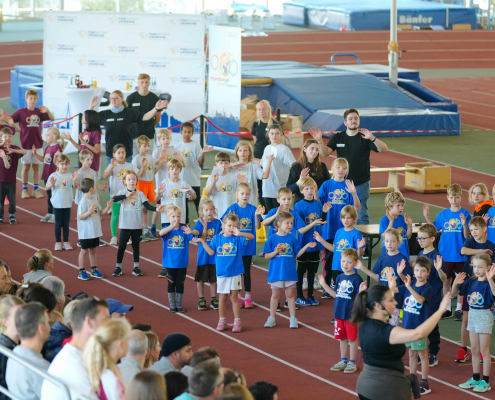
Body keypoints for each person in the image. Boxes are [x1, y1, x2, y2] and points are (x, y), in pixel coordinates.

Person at [352, 284, 450, 400]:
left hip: (365, 387)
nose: (396, 303)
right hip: (384, 390)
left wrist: (363, 293)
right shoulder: (387, 332)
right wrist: (440, 311)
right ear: (378, 305)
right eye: (391, 300)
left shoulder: (364, 322)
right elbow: (418, 334)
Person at [310, 108, 388, 233]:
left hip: (360, 183)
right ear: (345, 122)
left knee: (362, 214)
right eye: (350, 119)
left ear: (359, 121)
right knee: (341, 214)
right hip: (341, 184)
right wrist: (319, 141)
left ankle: (363, 243)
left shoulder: (365, 137)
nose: (353, 121)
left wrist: (372, 138)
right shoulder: (338, 137)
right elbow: (325, 153)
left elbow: (383, 149)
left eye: (356, 118)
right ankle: (340, 239)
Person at [195, 214, 254, 333]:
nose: (232, 228)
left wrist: (240, 233)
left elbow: (251, 236)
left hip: (235, 273)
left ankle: (237, 321)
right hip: (222, 274)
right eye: (229, 225)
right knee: (222, 298)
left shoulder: (237, 238)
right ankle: (222, 321)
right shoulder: (217, 238)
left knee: (234, 298)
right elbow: (211, 252)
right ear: (223, 225)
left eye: (234, 226)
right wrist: (202, 241)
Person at [41, 297, 110, 400]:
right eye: (105, 320)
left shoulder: (74, 355)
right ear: (89, 322)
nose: (109, 326)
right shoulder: (76, 367)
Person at [423, 183, 471, 321]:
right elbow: (434, 229)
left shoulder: (465, 214)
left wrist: (464, 224)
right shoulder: (443, 214)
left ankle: (459, 308)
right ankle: (448, 308)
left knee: (461, 282)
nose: (454, 200)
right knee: (446, 281)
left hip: (461, 256)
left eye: (457, 197)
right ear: (447, 198)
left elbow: (467, 235)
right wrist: (426, 216)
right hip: (446, 254)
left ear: (461, 197)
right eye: (452, 197)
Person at [388, 257, 434, 395]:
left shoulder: (427, 288)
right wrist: (392, 279)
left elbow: (420, 300)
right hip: (408, 326)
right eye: (417, 270)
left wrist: (408, 287)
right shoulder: (411, 283)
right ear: (413, 271)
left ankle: (424, 382)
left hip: (419, 328)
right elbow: (394, 290)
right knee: (412, 354)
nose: (419, 273)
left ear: (428, 272)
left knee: (423, 354)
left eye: (423, 271)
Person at [264, 212, 316, 329]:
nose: (290, 225)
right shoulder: (272, 239)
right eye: (287, 223)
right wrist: (275, 252)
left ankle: (293, 318)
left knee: (290, 294)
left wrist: (307, 246)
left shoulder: (292, 239)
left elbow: (297, 254)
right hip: (276, 272)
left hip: (289, 271)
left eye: (291, 223)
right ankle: (272, 318)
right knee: (275, 295)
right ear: (278, 223)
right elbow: (267, 256)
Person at [317, 249, 365, 374]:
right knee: (342, 338)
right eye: (343, 261)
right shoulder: (339, 277)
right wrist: (324, 285)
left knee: (352, 339)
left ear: (355, 263)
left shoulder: (357, 279)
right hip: (339, 314)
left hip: (351, 315)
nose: (345, 264)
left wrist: (361, 292)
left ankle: (352, 362)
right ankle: (343, 360)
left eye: (349, 262)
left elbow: (360, 298)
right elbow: (336, 295)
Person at [317, 157, 361, 296]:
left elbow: (357, 207)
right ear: (333, 169)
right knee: (328, 259)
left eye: (344, 168)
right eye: (338, 167)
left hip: (345, 230)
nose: (341, 170)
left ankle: (344, 285)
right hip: (329, 229)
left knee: (346, 259)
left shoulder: (348, 185)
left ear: (347, 171)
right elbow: (318, 202)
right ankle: (327, 286)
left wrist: (353, 193)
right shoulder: (326, 184)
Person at [453, 254, 495, 393]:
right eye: (474, 266)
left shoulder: (489, 284)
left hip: (484, 316)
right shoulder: (471, 282)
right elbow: (454, 293)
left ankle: (486, 381)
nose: (476, 269)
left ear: (488, 267)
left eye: (480, 267)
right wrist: (455, 283)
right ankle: (476, 378)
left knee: (484, 351)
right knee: (474, 350)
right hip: (472, 316)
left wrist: (490, 279)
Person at [89, 90, 167, 164]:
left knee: (128, 173)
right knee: (112, 173)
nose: (113, 100)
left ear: (122, 99)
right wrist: (91, 107)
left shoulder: (129, 113)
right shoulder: (105, 114)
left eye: (116, 98)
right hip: (111, 153)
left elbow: (146, 116)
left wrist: (156, 108)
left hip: (126, 153)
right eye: (112, 98)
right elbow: (88, 120)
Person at [112, 170, 165, 277]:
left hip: (136, 226)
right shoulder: (122, 192)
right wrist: (127, 195)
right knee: (122, 246)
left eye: (134, 179)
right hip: (125, 226)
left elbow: (147, 206)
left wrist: (156, 209)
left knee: (136, 246)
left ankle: (136, 267)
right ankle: (118, 267)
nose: (131, 181)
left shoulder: (140, 194)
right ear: (125, 181)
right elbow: (114, 199)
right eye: (129, 179)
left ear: (136, 181)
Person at [357, 228, 411, 326]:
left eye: (393, 241)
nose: (389, 243)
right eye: (387, 241)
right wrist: (362, 268)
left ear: (398, 242)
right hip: (381, 299)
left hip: (395, 301)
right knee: (381, 326)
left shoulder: (402, 259)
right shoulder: (381, 257)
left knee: (393, 326)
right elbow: (378, 278)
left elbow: (408, 282)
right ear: (384, 242)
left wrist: (400, 274)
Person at [222, 183, 264, 309]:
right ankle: (238, 297)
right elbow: (224, 225)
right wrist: (232, 219)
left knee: (246, 272)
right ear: (237, 195)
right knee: (237, 273)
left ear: (250, 195)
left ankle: (248, 297)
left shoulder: (253, 209)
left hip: (248, 246)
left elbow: (257, 227)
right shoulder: (232, 209)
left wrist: (256, 216)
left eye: (247, 194)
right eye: (242, 193)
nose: (244, 196)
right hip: (235, 247)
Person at [10, 89, 54, 199]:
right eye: (31, 98)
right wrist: (8, 121)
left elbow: (52, 118)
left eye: (35, 99)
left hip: (38, 144)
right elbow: (10, 119)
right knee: (26, 167)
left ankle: (36, 189)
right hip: (25, 145)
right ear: (26, 99)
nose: (33, 100)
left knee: (36, 167)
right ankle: (25, 190)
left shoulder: (40, 111)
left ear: (37, 100)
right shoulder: (21, 112)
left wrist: (48, 110)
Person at [293, 177, 330, 305]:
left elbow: (321, 221)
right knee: (301, 269)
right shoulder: (298, 205)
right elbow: (300, 227)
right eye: (306, 189)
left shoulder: (318, 204)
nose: (310, 191)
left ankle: (310, 295)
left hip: (316, 242)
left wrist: (324, 213)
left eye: (312, 188)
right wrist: (313, 223)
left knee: (312, 270)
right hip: (304, 242)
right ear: (301, 191)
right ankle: (299, 295)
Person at [415, 224, 447, 367]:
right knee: (419, 324)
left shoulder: (436, 256)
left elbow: (444, 278)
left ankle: (433, 353)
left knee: (432, 327)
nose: (420, 241)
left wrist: (439, 270)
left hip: (433, 298)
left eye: (423, 238)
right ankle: (420, 351)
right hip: (419, 297)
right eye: (418, 238)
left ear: (432, 238)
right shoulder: (420, 254)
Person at [6, 302, 51, 400]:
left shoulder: (13, 354)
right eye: (48, 323)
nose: (50, 327)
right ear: (41, 328)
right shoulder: (40, 367)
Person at [174, 121, 214, 224]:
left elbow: (201, 162)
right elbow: (175, 163)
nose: (187, 134)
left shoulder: (195, 145)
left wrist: (203, 153)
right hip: (182, 179)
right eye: (185, 132)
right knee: (183, 203)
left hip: (193, 178)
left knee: (197, 202)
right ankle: (186, 224)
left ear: (192, 133)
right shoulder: (177, 146)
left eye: (189, 132)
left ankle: (203, 222)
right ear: (181, 132)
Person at [82, 318, 131, 400]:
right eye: (127, 340)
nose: (129, 344)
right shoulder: (110, 378)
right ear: (120, 343)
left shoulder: (101, 370)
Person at [159, 204, 193, 312]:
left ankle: (179, 304)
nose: (176, 219)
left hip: (182, 263)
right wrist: (172, 226)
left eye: (178, 216)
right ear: (168, 218)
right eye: (173, 216)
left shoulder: (183, 230)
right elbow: (161, 233)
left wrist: (191, 231)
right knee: (171, 283)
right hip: (170, 263)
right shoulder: (167, 230)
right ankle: (172, 305)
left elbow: (193, 236)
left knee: (180, 284)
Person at [77, 177, 112, 280]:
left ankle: (94, 270)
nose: (96, 188)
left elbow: (100, 213)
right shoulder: (83, 202)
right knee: (84, 251)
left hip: (94, 231)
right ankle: (81, 271)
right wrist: (89, 212)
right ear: (91, 189)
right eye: (95, 186)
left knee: (93, 250)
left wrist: (108, 208)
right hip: (86, 232)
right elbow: (80, 216)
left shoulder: (94, 200)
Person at [133, 135, 164, 241]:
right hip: (140, 184)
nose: (147, 148)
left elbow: (153, 172)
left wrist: (160, 162)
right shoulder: (136, 159)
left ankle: (146, 232)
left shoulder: (150, 157)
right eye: (144, 146)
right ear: (138, 146)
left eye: (148, 146)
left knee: (145, 209)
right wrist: (143, 166)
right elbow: (138, 175)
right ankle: (137, 232)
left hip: (150, 184)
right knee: (139, 209)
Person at [193, 198, 221, 311]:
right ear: (201, 211)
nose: (209, 212)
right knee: (200, 279)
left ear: (214, 210)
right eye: (206, 210)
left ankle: (214, 299)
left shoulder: (217, 223)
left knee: (213, 279)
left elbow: (218, 238)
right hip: (203, 256)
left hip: (214, 257)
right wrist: (205, 227)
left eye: (211, 209)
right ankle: (201, 299)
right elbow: (202, 239)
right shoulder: (198, 223)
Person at [260, 124, 296, 212]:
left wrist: (292, 182)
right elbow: (262, 164)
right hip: (267, 189)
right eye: (272, 133)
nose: (274, 136)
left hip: (279, 189)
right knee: (270, 215)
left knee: (280, 216)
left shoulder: (284, 149)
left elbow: (294, 165)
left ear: (281, 135)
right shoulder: (267, 148)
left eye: (277, 133)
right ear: (268, 134)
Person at [45, 154, 78, 251]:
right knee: (58, 224)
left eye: (66, 164)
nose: (64, 166)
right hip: (57, 204)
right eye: (62, 164)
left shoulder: (70, 175)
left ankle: (66, 242)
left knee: (66, 224)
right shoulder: (53, 175)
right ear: (57, 164)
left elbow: (75, 187)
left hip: (67, 204)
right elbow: (47, 187)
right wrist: (52, 184)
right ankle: (58, 242)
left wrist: (74, 180)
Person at [127, 73, 165, 158]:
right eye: (142, 82)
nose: (144, 85)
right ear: (138, 83)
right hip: (134, 136)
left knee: (148, 160)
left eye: (146, 82)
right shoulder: (131, 98)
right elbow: (128, 117)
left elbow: (157, 118)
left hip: (149, 135)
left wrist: (149, 126)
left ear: (149, 83)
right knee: (135, 160)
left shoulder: (154, 98)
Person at [150, 128, 179, 235]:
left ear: (170, 139)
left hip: (173, 183)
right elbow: (152, 164)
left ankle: (173, 226)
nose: (166, 140)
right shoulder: (157, 151)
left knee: (173, 204)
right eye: (163, 139)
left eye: (167, 138)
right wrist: (160, 159)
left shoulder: (174, 151)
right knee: (159, 206)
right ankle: (153, 226)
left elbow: (179, 164)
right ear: (159, 140)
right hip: (161, 183)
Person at [32, 127, 63, 223]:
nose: (46, 137)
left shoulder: (57, 148)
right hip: (47, 176)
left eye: (48, 135)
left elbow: (57, 163)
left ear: (55, 136)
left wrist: (56, 156)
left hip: (54, 176)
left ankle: (55, 214)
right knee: (49, 195)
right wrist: (35, 154)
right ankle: (50, 213)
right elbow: (43, 159)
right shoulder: (47, 147)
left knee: (54, 196)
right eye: (46, 135)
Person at [251, 100, 278, 209]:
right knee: (260, 184)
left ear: (268, 110)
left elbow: (280, 141)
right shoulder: (256, 124)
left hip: (271, 158)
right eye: (259, 109)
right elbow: (255, 140)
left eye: (263, 109)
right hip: (258, 157)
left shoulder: (275, 124)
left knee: (271, 182)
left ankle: (273, 209)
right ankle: (263, 209)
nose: (261, 111)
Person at [287, 138, 331, 204]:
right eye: (312, 148)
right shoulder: (296, 167)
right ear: (304, 149)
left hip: (318, 203)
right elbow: (289, 190)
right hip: (301, 204)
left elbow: (328, 184)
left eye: (317, 149)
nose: (314, 151)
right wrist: (300, 181)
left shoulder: (322, 166)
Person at [156, 158, 196, 230]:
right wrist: (158, 193)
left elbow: (194, 197)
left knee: (179, 235)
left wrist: (190, 192)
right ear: (168, 170)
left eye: (177, 169)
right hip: (167, 216)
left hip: (180, 217)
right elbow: (156, 198)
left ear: (180, 170)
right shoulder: (164, 183)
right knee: (167, 234)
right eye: (172, 169)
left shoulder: (184, 183)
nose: (174, 170)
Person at [231, 141, 272, 207]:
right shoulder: (233, 167)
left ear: (249, 152)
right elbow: (218, 171)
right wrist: (230, 165)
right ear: (237, 153)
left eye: (245, 150)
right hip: (237, 204)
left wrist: (269, 162)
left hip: (251, 203)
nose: (242, 152)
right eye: (240, 150)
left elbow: (265, 175)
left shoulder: (254, 167)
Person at [0, 295, 25, 400]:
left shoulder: (20, 343)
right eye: (17, 317)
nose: (23, 320)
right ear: (5, 322)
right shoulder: (3, 351)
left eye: (25, 315)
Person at [0, 127, 26, 224]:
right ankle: (1, 216)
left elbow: (24, 152)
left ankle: (12, 215)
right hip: (1, 180)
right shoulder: (0, 149)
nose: (7, 138)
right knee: (0, 199)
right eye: (5, 136)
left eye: (9, 136)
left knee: (12, 199)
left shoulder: (14, 148)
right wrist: (2, 144)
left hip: (11, 180)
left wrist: (13, 151)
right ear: (1, 137)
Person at [206, 152, 241, 218]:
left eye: (226, 163)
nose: (223, 165)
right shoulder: (211, 177)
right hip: (216, 211)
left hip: (230, 210)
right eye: (221, 163)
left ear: (229, 164)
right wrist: (213, 182)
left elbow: (239, 194)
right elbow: (207, 193)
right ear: (216, 163)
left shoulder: (234, 177)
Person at [379, 191, 412, 260]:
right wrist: (391, 221)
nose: (401, 208)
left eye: (402, 205)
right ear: (390, 206)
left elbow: (408, 236)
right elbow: (385, 236)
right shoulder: (384, 220)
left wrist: (409, 225)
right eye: (398, 205)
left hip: (403, 254)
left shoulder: (403, 219)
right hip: (390, 255)